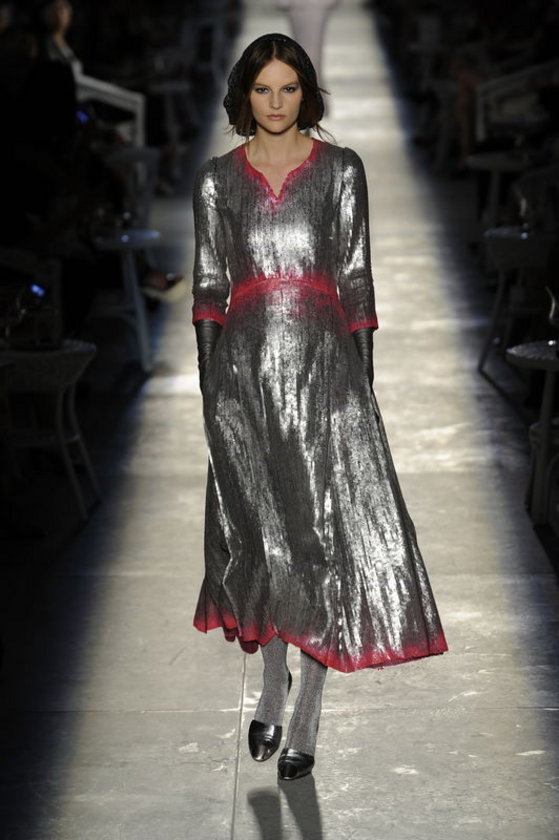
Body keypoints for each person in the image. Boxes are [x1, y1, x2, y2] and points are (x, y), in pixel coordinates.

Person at [191, 33, 447, 782]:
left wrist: (360, 388)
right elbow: (208, 288)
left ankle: (306, 709)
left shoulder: (340, 170)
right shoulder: (217, 181)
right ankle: (273, 682)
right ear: (244, 95)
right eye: (263, 89)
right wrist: (211, 391)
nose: (276, 102)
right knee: (261, 538)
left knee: (318, 539)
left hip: (326, 376)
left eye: (289, 88)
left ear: (306, 92)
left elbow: (357, 280)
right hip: (241, 381)